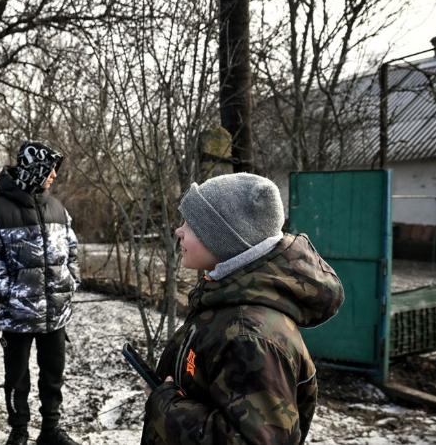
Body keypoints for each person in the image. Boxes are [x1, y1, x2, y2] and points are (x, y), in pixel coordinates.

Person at [140, 173, 345, 445]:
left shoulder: (248, 335)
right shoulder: (225, 299)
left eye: (190, 224)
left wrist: (165, 406)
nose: (178, 231)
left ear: (223, 240)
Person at [0, 142, 82, 445]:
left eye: (54, 170)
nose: (53, 176)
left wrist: (71, 281)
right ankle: (19, 431)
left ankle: (50, 429)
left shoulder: (58, 207)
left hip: (56, 313)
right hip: (17, 315)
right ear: (32, 168)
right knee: (17, 378)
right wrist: (7, 292)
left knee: (53, 375)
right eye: (49, 169)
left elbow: (72, 250)